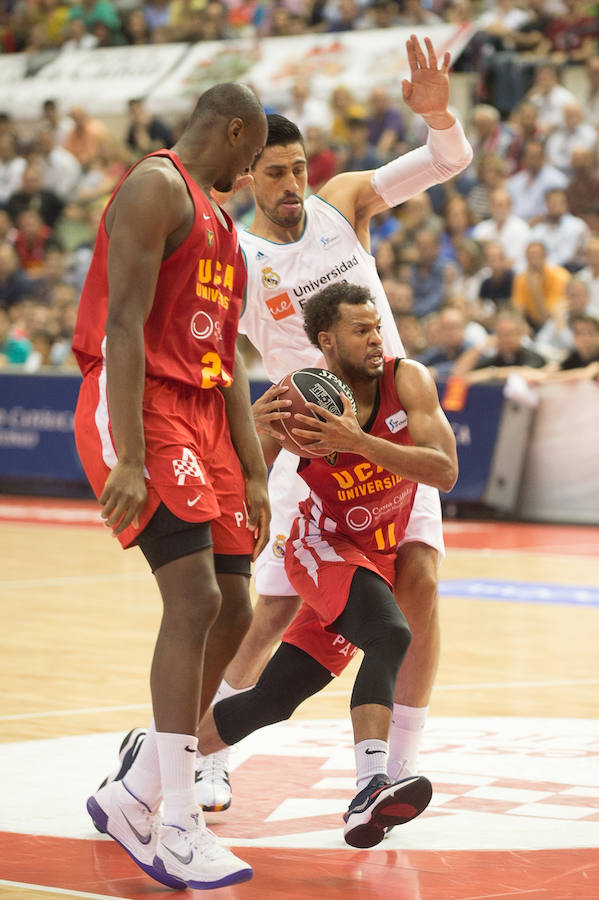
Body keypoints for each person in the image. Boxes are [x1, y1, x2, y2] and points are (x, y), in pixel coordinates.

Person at [101, 34, 473, 816]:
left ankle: (389, 770)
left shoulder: (343, 204)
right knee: (266, 614)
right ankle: (199, 751)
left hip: (393, 431)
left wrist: (439, 119)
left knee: (421, 586)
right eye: (275, 171)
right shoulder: (232, 252)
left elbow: (445, 164)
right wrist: (246, 429)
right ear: (247, 177)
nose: (293, 183)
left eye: (299, 167)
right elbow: (223, 359)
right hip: (307, 452)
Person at [73, 83, 270, 891]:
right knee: (192, 600)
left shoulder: (226, 229)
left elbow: (226, 361)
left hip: (204, 413)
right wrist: (128, 454)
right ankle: (177, 823)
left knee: (236, 603)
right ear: (231, 131)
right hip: (142, 396)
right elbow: (123, 323)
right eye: (252, 156)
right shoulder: (156, 187)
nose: (251, 170)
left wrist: (253, 470)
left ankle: (137, 791)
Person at [197, 282, 458, 848]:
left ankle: (156, 759)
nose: (376, 338)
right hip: (321, 548)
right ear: (326, 340)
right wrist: (251, 428)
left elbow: (443, 471)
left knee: (276, 698)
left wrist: (358, 441)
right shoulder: (299, 399)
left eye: (377, 327)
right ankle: (370, 789)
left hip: (377, 552)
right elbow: (246, 478)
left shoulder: (406, 377)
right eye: (361, 330)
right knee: (390, 633)